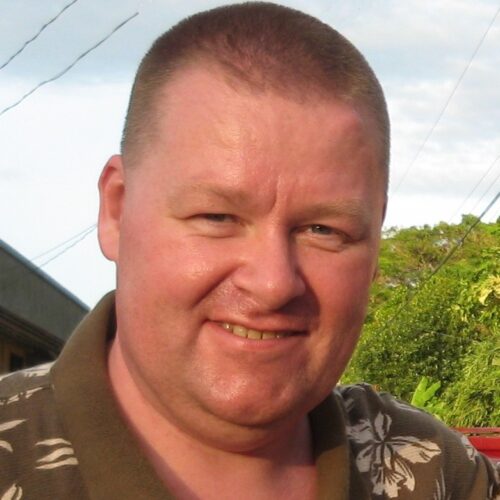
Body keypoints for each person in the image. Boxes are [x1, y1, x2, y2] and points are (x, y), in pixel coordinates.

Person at [1, 3, 498, 499]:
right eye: (217, 217)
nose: (273, 283)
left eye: (323, 230)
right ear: (117, 209)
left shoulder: (439, 474)